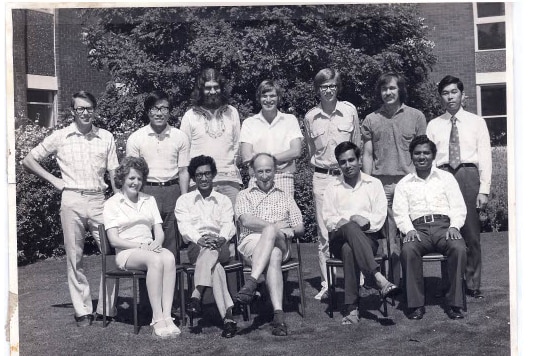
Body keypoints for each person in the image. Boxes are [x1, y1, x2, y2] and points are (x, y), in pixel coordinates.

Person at [22, 91, 119, 327]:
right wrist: (54, 181)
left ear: (94, 109)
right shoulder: (61, 136)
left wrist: (119, 201)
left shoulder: (106, 137)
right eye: (80, 109)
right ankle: (83, 310)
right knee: (74, 258)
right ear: (73, 111)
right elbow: (28, 160)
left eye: (89, 108)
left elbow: (114, 173)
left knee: (111, 254)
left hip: (99, 201)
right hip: (72, 201)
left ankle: (107, 309)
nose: (85, 113)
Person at [426, 75, 492, 299]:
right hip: (443, 175)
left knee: (471, 233)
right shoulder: (434, 125)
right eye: (445, 93)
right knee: (446, 232)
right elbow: (429, 158)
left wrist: (484, 189)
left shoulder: (476, 122)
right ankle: (450, 283)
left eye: (454, 92)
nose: (450, 97)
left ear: (462, 95)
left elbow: (485, 157)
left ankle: (473, 284)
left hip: (468, 174)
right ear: (440, 98)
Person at [323, 141, 401, 324]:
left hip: (368, 239)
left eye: (351, 160)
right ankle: (377, 277)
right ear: (338, 164)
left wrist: (360, 223)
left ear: (359, 160)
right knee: (350, 226)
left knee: (349, 249)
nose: (348, 165)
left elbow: (379, 218)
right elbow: (329, 219)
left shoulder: (373, 184)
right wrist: (354, 220)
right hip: (338, 237)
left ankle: (352, 309)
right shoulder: (331, 187)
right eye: (343, 162)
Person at [361, 72, 427, 285]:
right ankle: (393, 283)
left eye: (392, 88)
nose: (388, 92)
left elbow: (422, 153)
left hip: (409, 185)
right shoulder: (371, 119)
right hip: (382, 186)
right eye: (384, 89)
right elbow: (368, 154)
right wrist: (367, 185)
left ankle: (412, 282)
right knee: (389, 240)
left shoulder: (416, 117)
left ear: (400, 90)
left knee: (412, 234)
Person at [103, 157, 180, 338]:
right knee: (155, 260)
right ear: (121, 179)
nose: (135, 182)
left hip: (148, 248)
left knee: (169, 257)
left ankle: (168, 316)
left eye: (139, 178)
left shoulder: (149, 200)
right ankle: (157, 319)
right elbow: (114, 240)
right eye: (131, 178)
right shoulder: (111, 204)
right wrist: (141, 246)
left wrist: (157, 243)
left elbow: (159, 231)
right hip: (127, 252)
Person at [393, 135, 468, 320]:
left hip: (445, 227)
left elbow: (458, 206)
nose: (422, 157)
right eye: (417, 153)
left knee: (458, 248)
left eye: (426, 152)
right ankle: (416, 305)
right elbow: (400, 213)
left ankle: (454, 304)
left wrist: (455, 226)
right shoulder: (404, 184)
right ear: (411, 156)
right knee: (408, 250)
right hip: (418, 230)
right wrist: (409, 230)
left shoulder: (446, 178)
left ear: (433, 155)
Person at [303, 68, 361, 300]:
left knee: (352, 224)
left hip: (347, 175)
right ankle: (328, 283)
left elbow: (355, 144)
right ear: (318, 90)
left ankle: (358, 277)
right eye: (324, 87)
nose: (328, 90)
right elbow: (310, 150)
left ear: (337, 87)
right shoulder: (310, 117)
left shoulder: (349, 111)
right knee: (325, 231)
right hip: (322, 178)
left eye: (332, 86)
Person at [234, 153, 304, 336]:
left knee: (271, 235)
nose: (265, 175)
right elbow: (246, 220)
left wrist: (289, 231)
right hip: (251, 244)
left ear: (275, 171)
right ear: (253, 173)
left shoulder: (285, 196)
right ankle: (279, 316)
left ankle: (251, 282)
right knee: (273, 251)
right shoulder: (244, 195)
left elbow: (300, 226)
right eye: (260, 171)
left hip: (282, 243)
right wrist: (275, 227)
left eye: (268, 171)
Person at [174, 155, 238, 338]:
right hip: (197, 247)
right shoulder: (184, 201)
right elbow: (184, 227)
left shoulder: (223, 200)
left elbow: (228, 225)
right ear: (193, 178)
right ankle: (228, 319)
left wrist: (221, 238)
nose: (203, 178)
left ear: (214, 175)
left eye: (207, 174)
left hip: (221, 245)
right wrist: (200, 239)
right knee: (215, 268)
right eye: (199, 175)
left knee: (213, 252)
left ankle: (196, 294)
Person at [126, 90, 190, 259]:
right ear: (148, 111)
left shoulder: (180, 137)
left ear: (170, 111)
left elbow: (183, 170)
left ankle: (172, 285)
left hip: (172, 191)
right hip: (146, 191)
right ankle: (146, 285)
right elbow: (131, 173)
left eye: (164, 108)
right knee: (146, 240)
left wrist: (184, 199)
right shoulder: (136, 138)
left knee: (171, 243)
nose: (159, 113)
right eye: (155, 108)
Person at [180, 68, 242, 205]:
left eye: (216, 87)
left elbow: (237, 147)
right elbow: (183, 154)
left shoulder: (232, 113)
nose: (213, 91)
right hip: (200, 182)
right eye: (208, 88)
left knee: (231, 223)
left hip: (230, 182)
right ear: (201, 90)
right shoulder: (190, 116)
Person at [239, 80, 303, 196]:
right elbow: (246, 156)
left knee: (284, 214)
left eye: (272, 96)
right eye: (264, 96)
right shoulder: (249, 123)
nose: (268, 100)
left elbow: (296, 151)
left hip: (284, 177)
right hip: (257, 179)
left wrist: (264, 161)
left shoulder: (290, 120)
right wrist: (278, 159)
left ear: (278, 97)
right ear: (259, 98)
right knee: (256, 214)